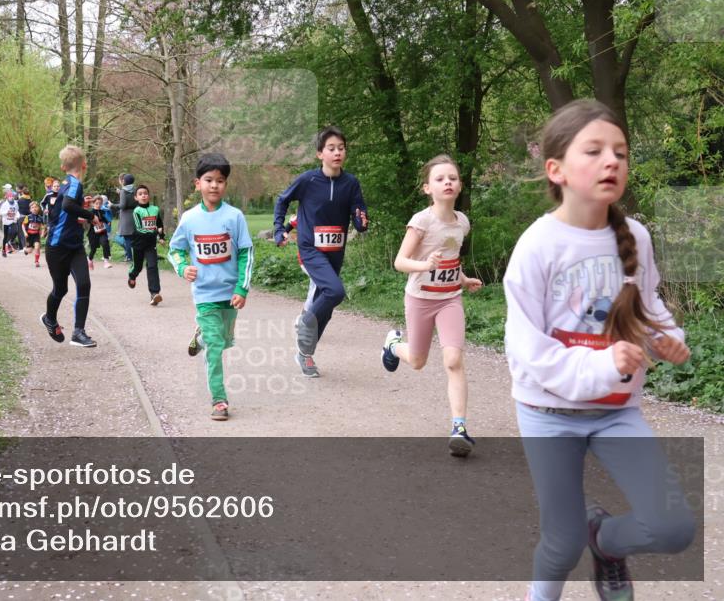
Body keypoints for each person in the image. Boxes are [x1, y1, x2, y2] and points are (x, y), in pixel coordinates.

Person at [504, 100, 695, 601]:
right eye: (594, 151)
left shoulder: (636, 238)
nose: (612, 160)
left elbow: (647, 307)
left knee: (673, 527)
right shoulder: (537, 245)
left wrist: (666, 339)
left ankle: (606, 542)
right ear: (557, 169)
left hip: (616, 412)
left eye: (620, 152)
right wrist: (602, 362)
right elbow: (526, 348)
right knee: (561, 544)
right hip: (548, 413)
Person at [379, 155, 483, 457]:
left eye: (453, 178)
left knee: (453, 360)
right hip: (420, 299)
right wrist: (425, 264)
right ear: (428, 188)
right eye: (440, 179)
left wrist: (463, 279)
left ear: (459, 185)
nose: (447, 182)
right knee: (417, 361)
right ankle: (393, 345)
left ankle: (459, 428)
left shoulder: (462, 222)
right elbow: (400, 262)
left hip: (450, 298)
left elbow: (451, 259)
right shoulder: (422, 221)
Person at [273, 126, 368, 377]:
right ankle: (306, 320)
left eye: (341, 148)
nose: (337, 153)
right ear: (319, 154)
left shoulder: (351, 183)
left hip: (335, 251)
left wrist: (361, 221)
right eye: (331, 148)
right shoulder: (308, 180)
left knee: (325, 306)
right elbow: (282, 200)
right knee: (335, 291)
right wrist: (279, 229)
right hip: (310, 249)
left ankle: (305, 354)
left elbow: (359, 212)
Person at [169, 153, 253, 421]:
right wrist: (183, 267)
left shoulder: (235, 217)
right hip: (204, 294)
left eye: (220, 180)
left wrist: (241, 288)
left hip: (230, 294)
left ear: (225, 184)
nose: (214, 185)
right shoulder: (190, 219)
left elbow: (246, 253)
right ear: (198, 184)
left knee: (224, 340)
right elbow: (174, 250)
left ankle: (202, 336)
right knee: (216, 347)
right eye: (208, 180)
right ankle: (219, 400)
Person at [39, 145, 99, 348]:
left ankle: (78, 332)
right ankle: (49, 318)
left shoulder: (66, 184)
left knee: (84, 284)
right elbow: (67, 206)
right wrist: (90, 215)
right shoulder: (74, 184)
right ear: (84, 165)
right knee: (60, 289)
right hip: (58, 247)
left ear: (63, 167)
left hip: (74, 246)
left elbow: (64, 211)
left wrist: (81, 209)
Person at [127, 184, 166, 305]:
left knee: (152, 266)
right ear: (136, 198)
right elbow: (140, 229)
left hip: (150, 244)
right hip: (138, 243)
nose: (143, 195)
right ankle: (132, 276)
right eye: (140, 194)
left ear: (148, 196)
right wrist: (155, 232)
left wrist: (161, 236)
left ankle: (154, 293)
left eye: (145, 193)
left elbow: (159, 224)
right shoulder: (136, 211)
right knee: (138, 267)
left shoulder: (155, 209)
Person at [112, 173, 137, 263]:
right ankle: (136, 256)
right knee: (133, 237)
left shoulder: (123, 191)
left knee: (127, 238)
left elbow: (122, 205)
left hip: (126, 216)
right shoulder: (135, 189)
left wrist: (112, 205)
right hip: (134, 214)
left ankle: (129, 257)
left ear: (124, 181)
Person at [87, 195, 113, 269]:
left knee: (105, 243)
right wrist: (94, 223)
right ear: (93, 204)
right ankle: (89, 260)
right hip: (93, 233)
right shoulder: (91, 212)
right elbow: (88, 220)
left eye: (100, 203)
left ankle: (106, 261)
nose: (98, 205)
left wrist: (107, 222)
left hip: (102, 231)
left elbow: (103, 218)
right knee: (93, 249)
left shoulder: (101, 211)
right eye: (97, 203)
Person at [22, 200, 46, 267]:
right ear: (30, 209)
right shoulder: (28, 217)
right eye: (32, 207)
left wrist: (42, 233)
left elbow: (43, 226)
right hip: (29, 235)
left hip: (36, 235)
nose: (34, 209)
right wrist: (25, 233)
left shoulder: (40, 218)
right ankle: (26, 250)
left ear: (38, 208)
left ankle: (36, 261)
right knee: (29, 251)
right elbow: (23, 225)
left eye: (36, 207)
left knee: (37, 247)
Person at [0, 188, 21, 257]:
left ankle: (10, 241)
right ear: (7, 197)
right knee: (5, 236)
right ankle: (3, 250)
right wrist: (6, 212)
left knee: (15, 231)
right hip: (6, 222)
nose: (11, 198)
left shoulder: (16, 203)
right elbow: (0, 212)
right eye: (10, 197)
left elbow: (17, 211)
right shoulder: (4, 204)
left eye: (12, 196)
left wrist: (17, 216)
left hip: (13, 221)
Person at [15, 183, 32, 250]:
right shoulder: (30, 199)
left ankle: (22, 246)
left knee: (21, 232)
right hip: (28, 217)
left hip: (21, 217)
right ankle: (28, 245)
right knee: (27, 231)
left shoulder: (19, 200)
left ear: (21, 191)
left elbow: (17, 208)